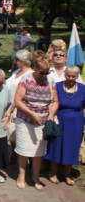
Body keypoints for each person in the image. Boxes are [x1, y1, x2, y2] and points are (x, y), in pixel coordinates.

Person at [13, 51, 59, 190]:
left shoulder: (50, 80)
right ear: (35, 68)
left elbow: (56, 101)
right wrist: (32, 113)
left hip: (42, 122)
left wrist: (51, 115)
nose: (44, 75)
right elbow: (17, 101)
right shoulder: (26, 79)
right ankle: (21, 175)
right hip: (25, 120)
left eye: (46, 72)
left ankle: (35, 177)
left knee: (39, 152)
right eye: (41, 73)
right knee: (24, 149)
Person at [45, 66, 85, 186]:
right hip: (59, 120)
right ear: (65, 75)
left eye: (73, 76)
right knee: (56, 145)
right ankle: (53, 172)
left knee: (72, 147)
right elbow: (51, 102)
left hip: (76, 122)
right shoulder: (57, 86)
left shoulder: (83, 88)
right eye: (68, 75)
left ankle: (67, 174)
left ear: (77, 76)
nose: (71, 78)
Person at [5, 50, 34, 163]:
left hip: (20, 107)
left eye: (17, 60)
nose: (15, 61)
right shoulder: (17, 71)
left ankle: (24, 159)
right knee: (11, 134)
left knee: (21, 134)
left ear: (23, 61)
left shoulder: (30, 74)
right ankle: (13, 154)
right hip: (10, 106)